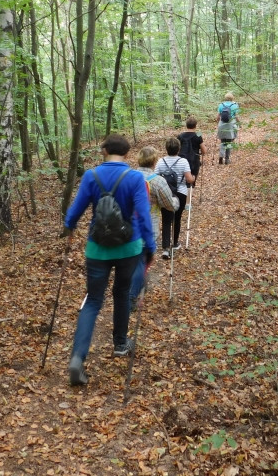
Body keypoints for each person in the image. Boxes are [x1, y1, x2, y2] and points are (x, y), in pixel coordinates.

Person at [64, 134, 156, 386]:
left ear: (104, 150)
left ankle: (77, 358)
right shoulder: (135, 177)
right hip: (129, 248)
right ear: (126, 153)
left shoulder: (91, 176)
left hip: (97, 249)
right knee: (122, 292)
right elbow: (144, 214)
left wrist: (69, 226)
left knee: (93, 301)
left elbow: (75, 212)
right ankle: (119, 345)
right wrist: (150, 245)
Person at [129, 146, 178, 308]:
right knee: (142, 262)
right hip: (148, 228)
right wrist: (176, 201)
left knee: (133, 261)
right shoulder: (157, 181)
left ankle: (136, 286)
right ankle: (132, 296)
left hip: (126, 227)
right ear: (154, 161)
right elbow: (170, 205)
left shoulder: (127, 177)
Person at [155, 137, 194, 258]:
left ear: (166, 148)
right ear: (179, 149)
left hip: (165, 193)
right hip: (180, 193)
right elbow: (188, 179)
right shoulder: (183, 161)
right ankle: (175, 243)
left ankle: (165, 248)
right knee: (177, 218)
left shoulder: (161, 161)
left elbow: (155, 177)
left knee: (166, 220)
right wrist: (192, 178)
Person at [177, 117, 206, 185]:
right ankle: (189, 193)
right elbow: (204, 150)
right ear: (195, 125)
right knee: (191, 181)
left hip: (181, 160)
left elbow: (176, 149)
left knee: (181, 180)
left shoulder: (180, 136)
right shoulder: (198, 135)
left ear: (186, 125)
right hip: (194, 161)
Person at [215, 92, 240, 164]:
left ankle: (221, 156)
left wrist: (218, 124)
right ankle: (227, 159)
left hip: (222, 124)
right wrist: (239, 123)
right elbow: (236, 116)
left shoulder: (221, 105)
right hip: (230, 125)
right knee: (229, 141)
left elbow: (218, 117)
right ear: (232, 98)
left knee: (223, 141)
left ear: (225, 98)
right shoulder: (235, 105)